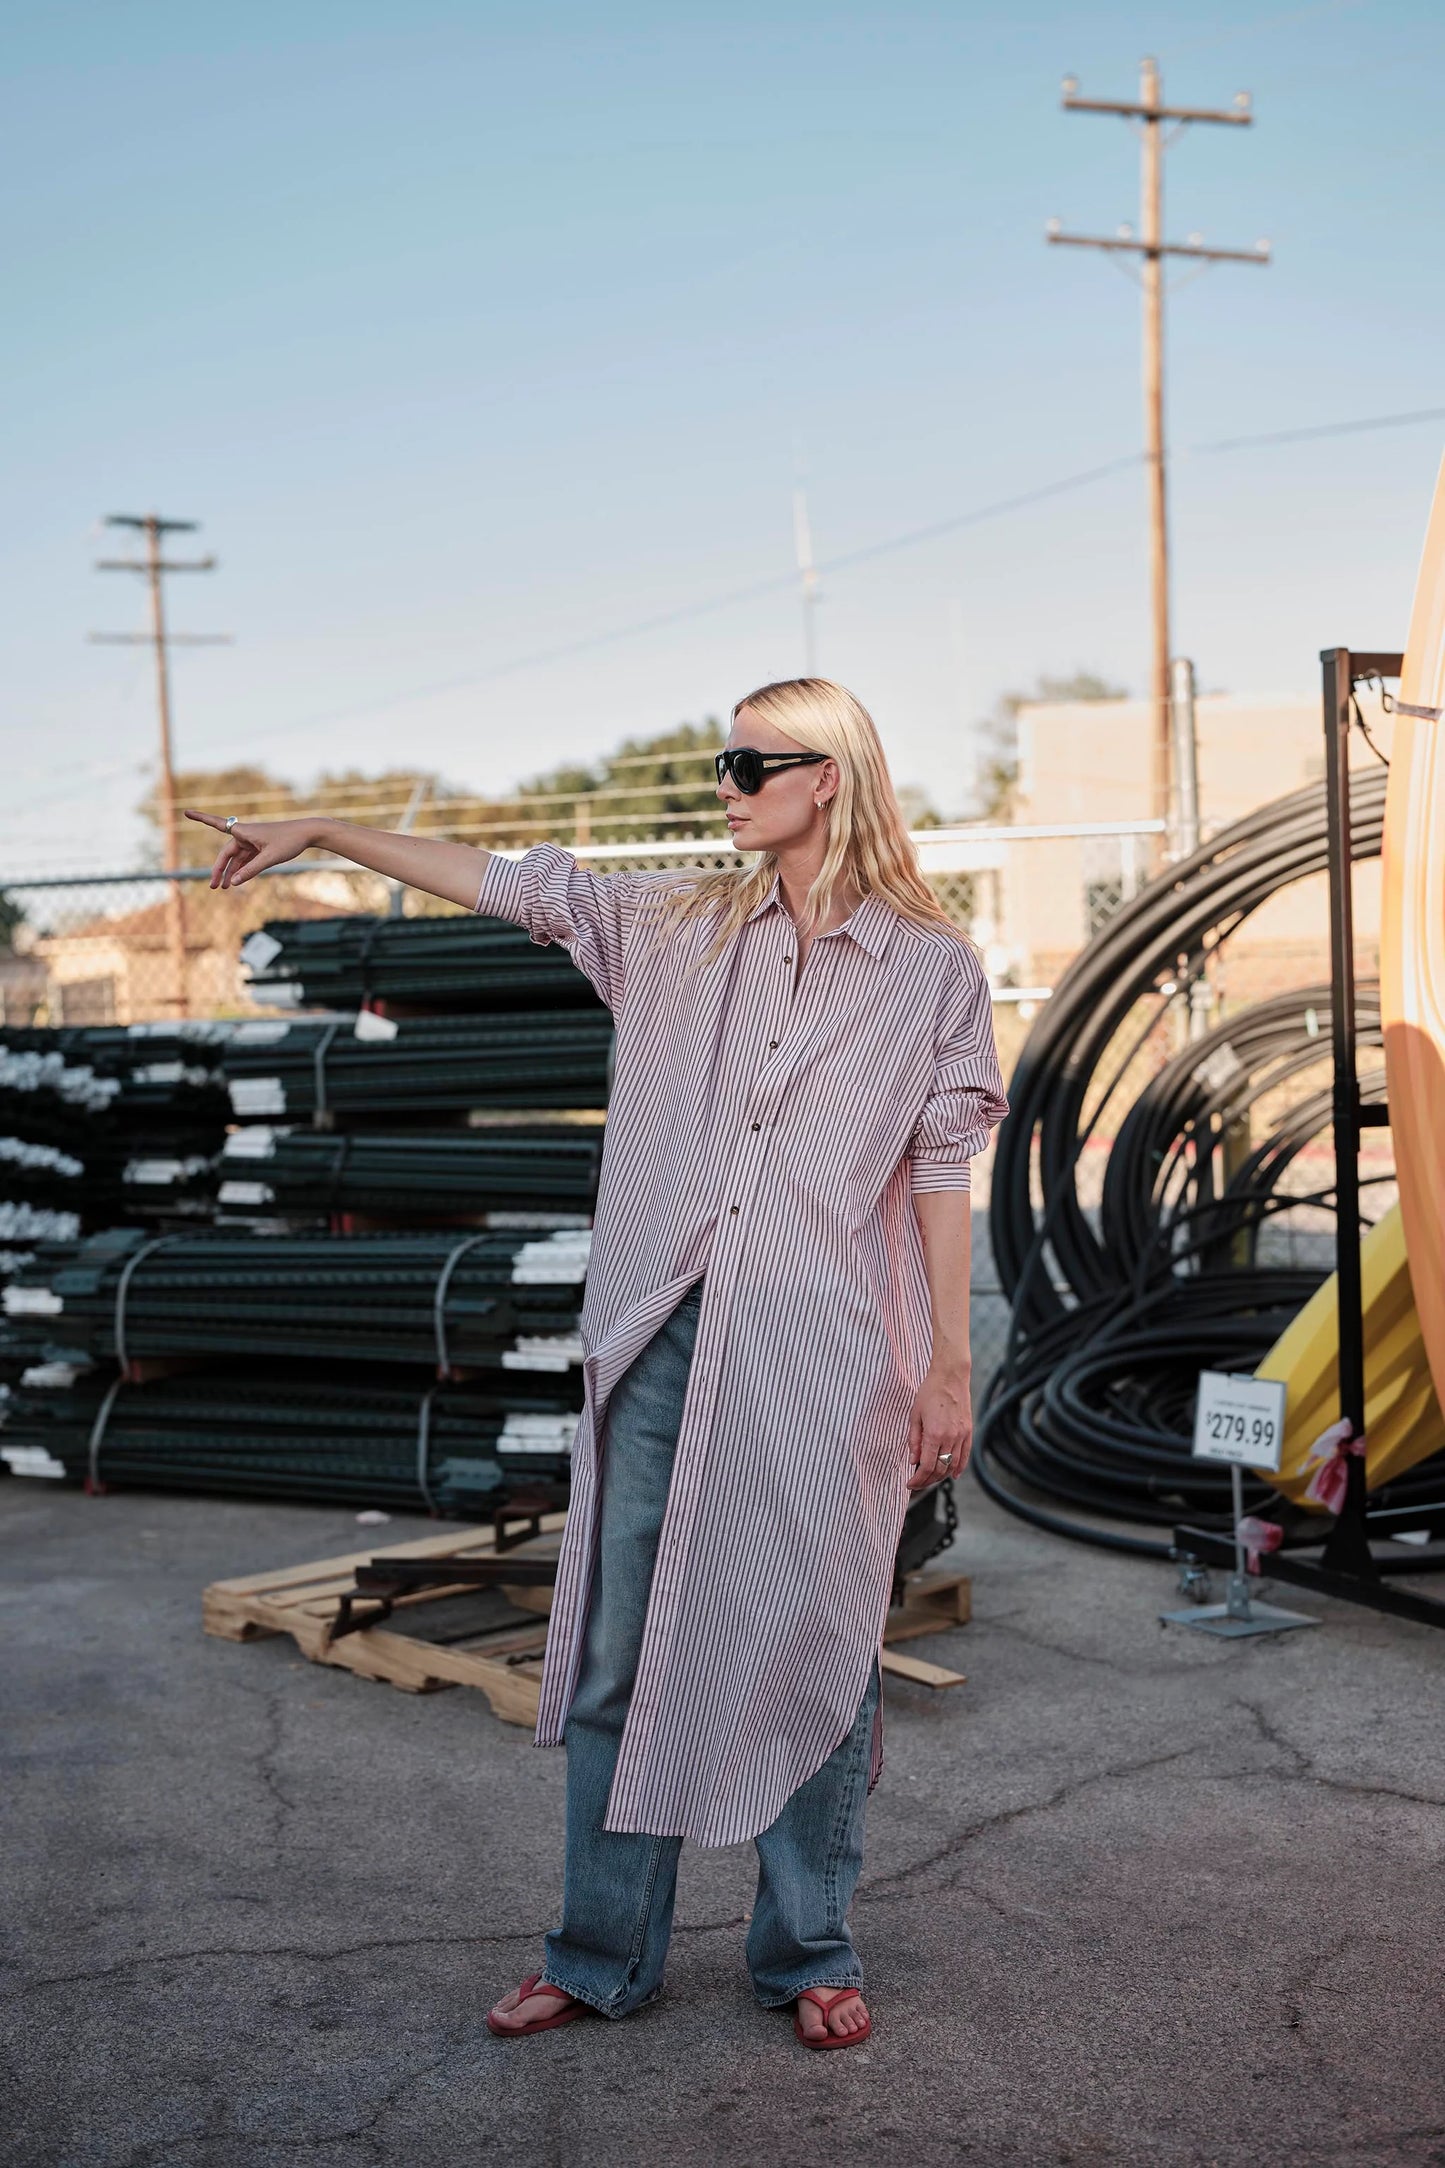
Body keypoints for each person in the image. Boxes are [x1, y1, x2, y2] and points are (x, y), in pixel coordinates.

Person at [189, 675, 1007, 2049]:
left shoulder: (929, 968)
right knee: (619, 1648)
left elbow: (938, 1169)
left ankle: (808, 1947)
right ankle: (597, 1949)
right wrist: (329, 830)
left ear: (831, 779)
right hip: (664, 1333)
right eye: (721, 760)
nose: (726, 783)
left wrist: (945, 1368)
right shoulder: (670, 924)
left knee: (817, 1642)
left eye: (754, 762)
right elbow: (504, 879)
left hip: (827, 1350)